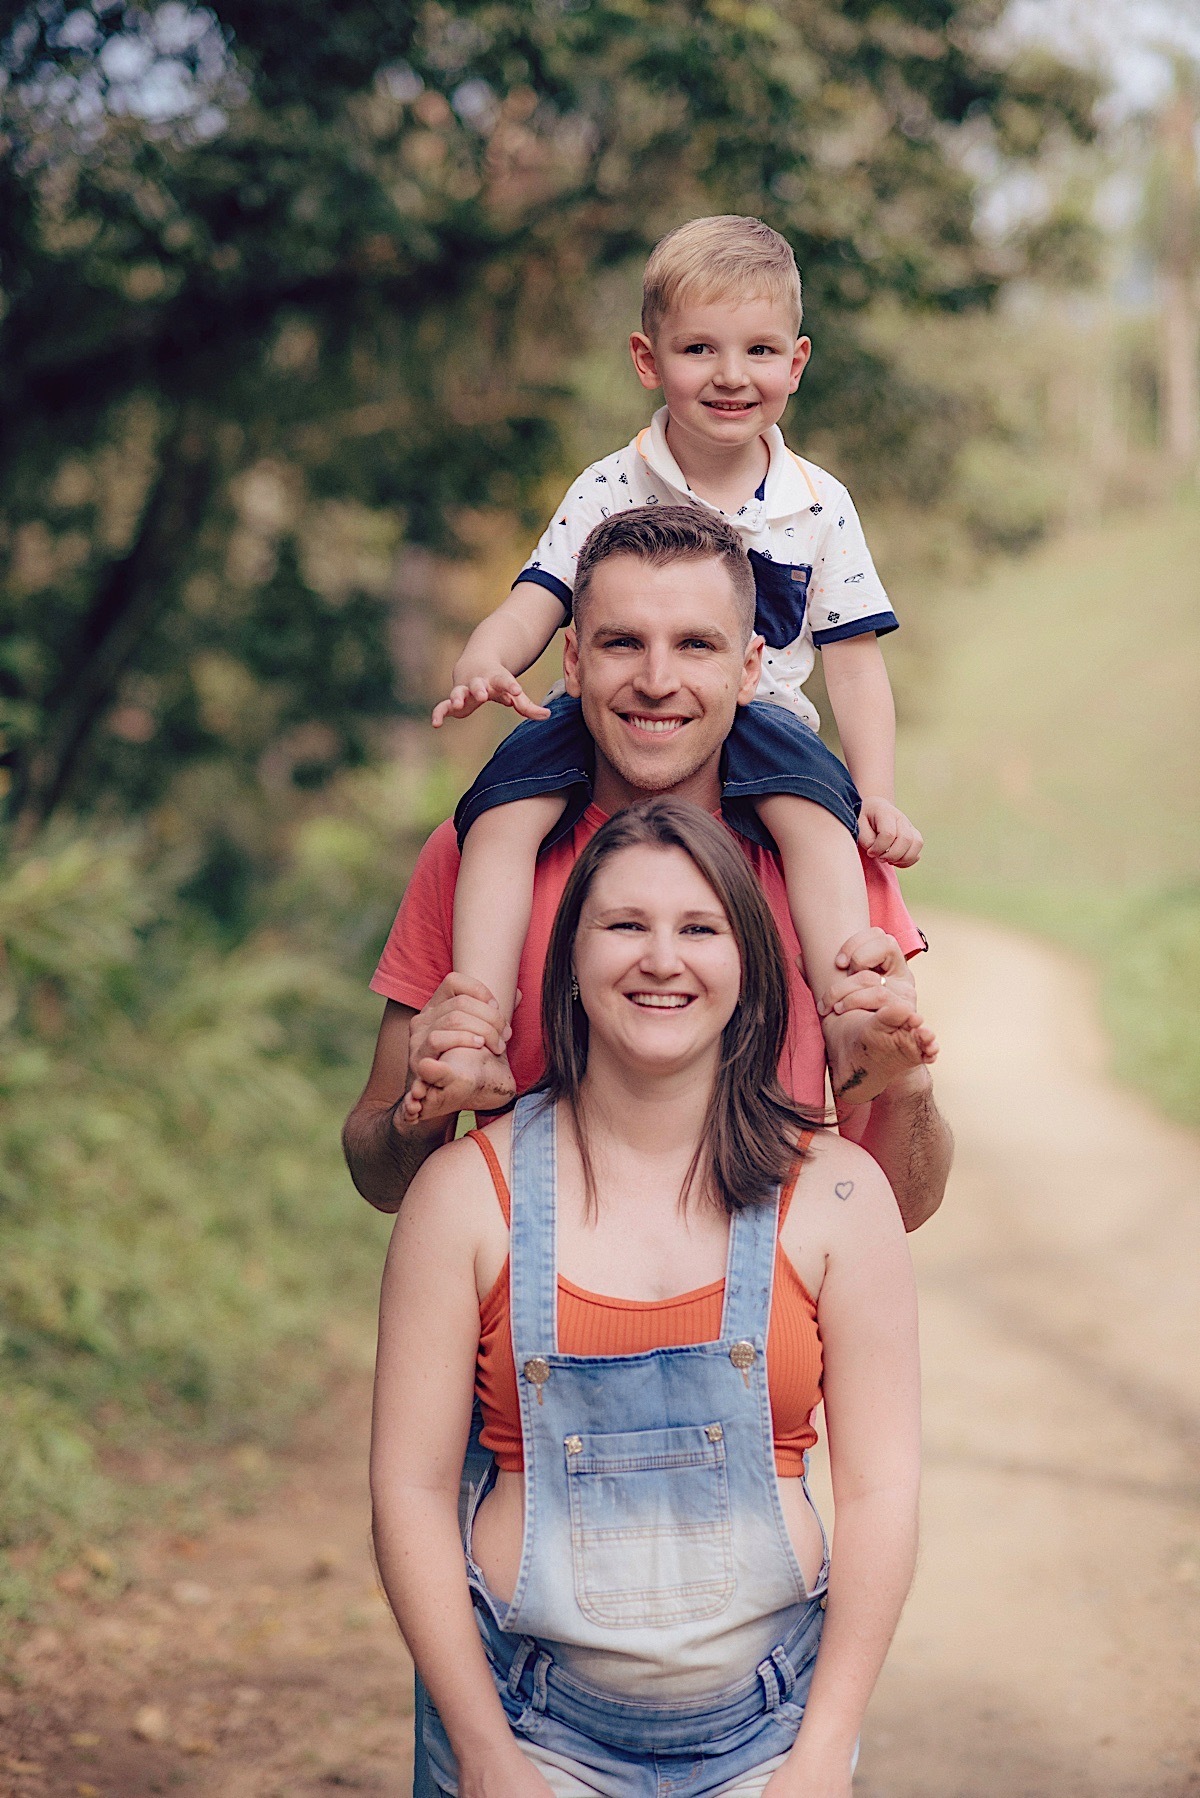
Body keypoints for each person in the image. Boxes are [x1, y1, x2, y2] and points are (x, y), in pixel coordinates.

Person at [370, 797, 921, 1797]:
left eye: (700, 928)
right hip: (527, 1733)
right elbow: (409, 1490)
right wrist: (484, 1751)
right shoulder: (465, 1196)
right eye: (625, 924)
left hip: (772, 1738)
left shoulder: (837, 1194)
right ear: (569, 963)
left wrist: (822, 1752)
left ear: (750, 966)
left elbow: (883, 1491)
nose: (662, 959)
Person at [420, 213, 922, 1119]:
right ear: (648, 361)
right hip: (598, 713)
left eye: (759, 350)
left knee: (820, 821)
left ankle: (849, 1017)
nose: (731, 375)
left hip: (761, 717)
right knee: (497, 816)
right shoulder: (608, 484)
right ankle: (478, 1031)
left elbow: (853, 663)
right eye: (700, 349)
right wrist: (485, 658)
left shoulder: (819, 504)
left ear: (797, 363)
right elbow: (538, 596)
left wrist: (876, 793)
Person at [342, 503, 950, 1234]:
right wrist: (419, 1109)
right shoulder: (473, 855)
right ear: (572, 661)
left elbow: (906, 1204)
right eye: (623, 643)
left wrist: (905, 1084)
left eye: (696, 645)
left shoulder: (830, 859)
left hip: (770, 1296)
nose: (657, 681)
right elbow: (379, 1178)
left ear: (750, 668)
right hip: (531, 1294)